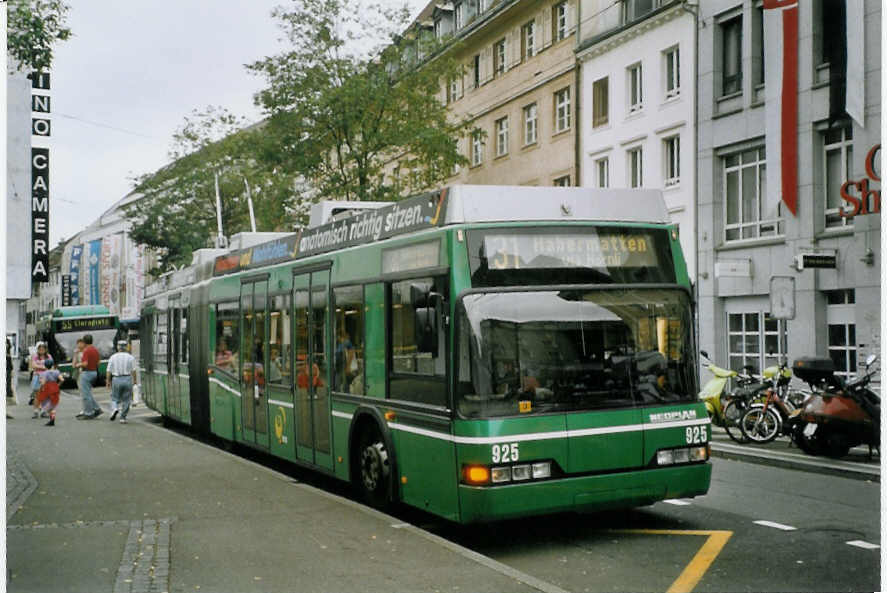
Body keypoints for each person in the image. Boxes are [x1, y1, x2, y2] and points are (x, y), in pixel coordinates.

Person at [106, 340, 136, 424]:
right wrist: (135, 381)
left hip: (116, 379)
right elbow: (134, 370)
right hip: (127, 378)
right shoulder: (130, 357)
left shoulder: (113, 357)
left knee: (114, 397)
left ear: (118, 347)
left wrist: (108, 381)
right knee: (127, 399)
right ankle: (123, 418)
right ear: (126, 347)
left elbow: (108, 370)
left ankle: (115, 408)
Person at [77, 334, 103, 419]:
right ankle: (97, 409)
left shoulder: (86, 351)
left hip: (87, 372)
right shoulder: (95, 350)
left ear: (84, 342)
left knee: (86, 395)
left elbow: (85, 364)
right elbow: (99, 363)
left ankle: (88, 413)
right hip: (94, 372)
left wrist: (78, 364)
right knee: (88, 393)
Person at [32, 358, 61, 426]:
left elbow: (43, 382)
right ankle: (52, 418)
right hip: (55, 388)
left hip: (47, 389)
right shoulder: (57, 372)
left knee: (46, 403)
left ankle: (51, 418)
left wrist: (41, 384)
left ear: (45, 366)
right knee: (53, 404)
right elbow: (62, 379)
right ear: (52, 365)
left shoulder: (44, 373)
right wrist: (58, 385)